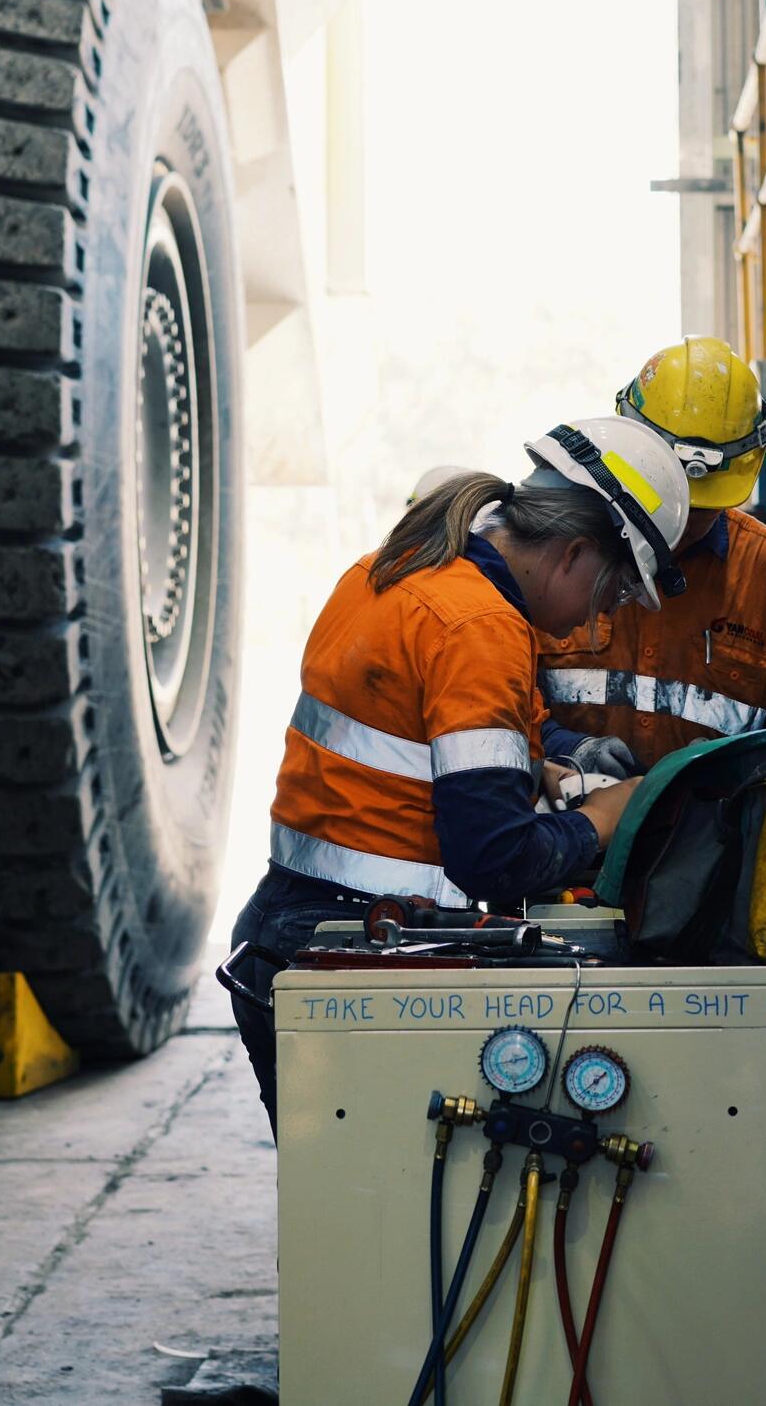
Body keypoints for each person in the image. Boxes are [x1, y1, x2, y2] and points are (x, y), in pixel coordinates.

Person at [227, 417, 691, 1132]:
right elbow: (496, 859)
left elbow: (410, 741)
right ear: (573, 555)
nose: (584, 628)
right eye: (608, 599)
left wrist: (537, 764)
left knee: (345, 1219)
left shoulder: (393, 569)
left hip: (287, 931)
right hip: (356, 950)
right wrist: (603, 818)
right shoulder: (480, 626)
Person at [540, 337, 766, 779]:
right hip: (566, 832)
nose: (674, 528)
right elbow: (498, 705)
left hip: (718, 841)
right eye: (660, 500)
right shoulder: (552, 550)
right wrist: (568, 749)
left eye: (695, 510)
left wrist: (740, 769)